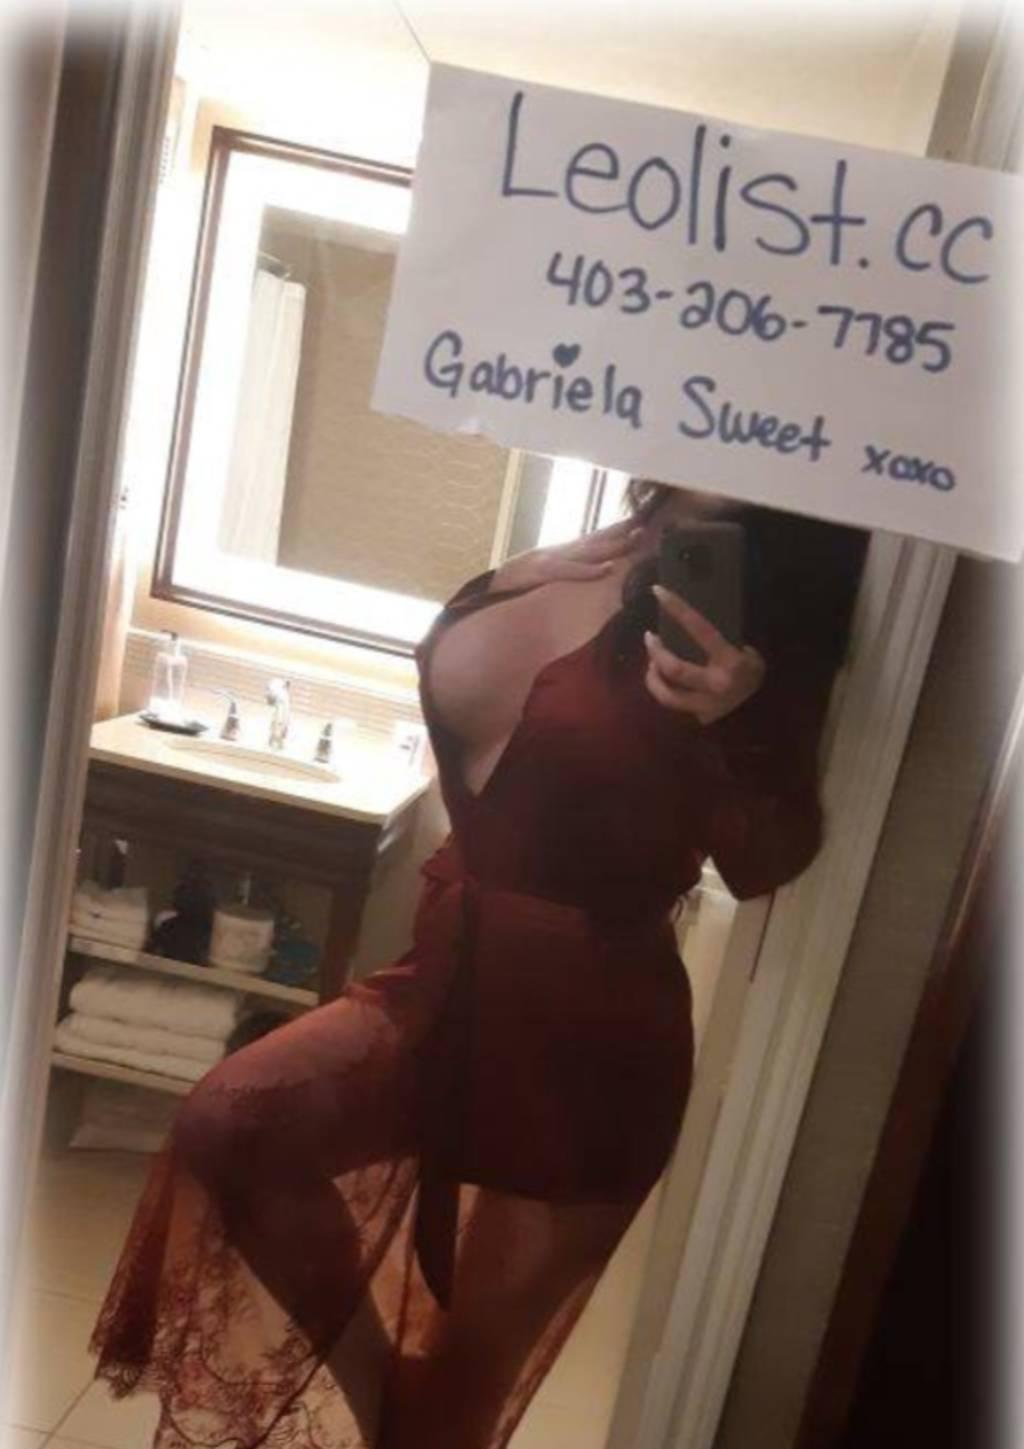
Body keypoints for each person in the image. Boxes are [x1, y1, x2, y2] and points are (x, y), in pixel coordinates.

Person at [87, 479, 867, 1449]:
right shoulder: (608, 538)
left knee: (465, 1393)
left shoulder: (766, 602)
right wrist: (498, 587)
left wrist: (737, 727)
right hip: (439, 985)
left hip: (589, 1044)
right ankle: (394, 1406)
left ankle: (421, 1422)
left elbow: (768, 862)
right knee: (232, 1124)